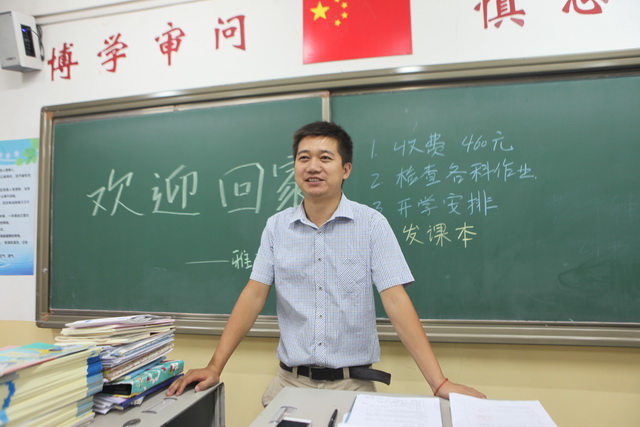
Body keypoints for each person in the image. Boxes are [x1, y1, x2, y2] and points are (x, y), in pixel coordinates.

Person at [166, 121, 485, 404]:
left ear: (345, 169)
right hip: (288, 385)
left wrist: (438, 382)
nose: (313, 167)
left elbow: (396, 301)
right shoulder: (276, 227)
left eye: (325, 158)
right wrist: (215, 366)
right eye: (304, 158)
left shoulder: (371, 224)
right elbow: (253, 295)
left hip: (352, 386)